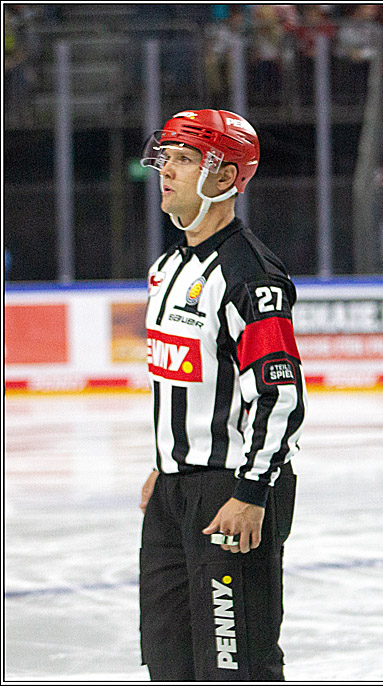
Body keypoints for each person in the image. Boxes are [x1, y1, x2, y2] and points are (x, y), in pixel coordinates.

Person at [137, 109, 305, 680]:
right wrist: (166, 465)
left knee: (237, 665)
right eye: (167, 157)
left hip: (231, 494)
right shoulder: (167, 269)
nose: (168, 170)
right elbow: (181, 379)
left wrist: (252, 491)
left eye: (186, 159)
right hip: (174, 492)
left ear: (228, 178)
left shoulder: (250, 275)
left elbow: (278, 394)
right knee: (170, 663)